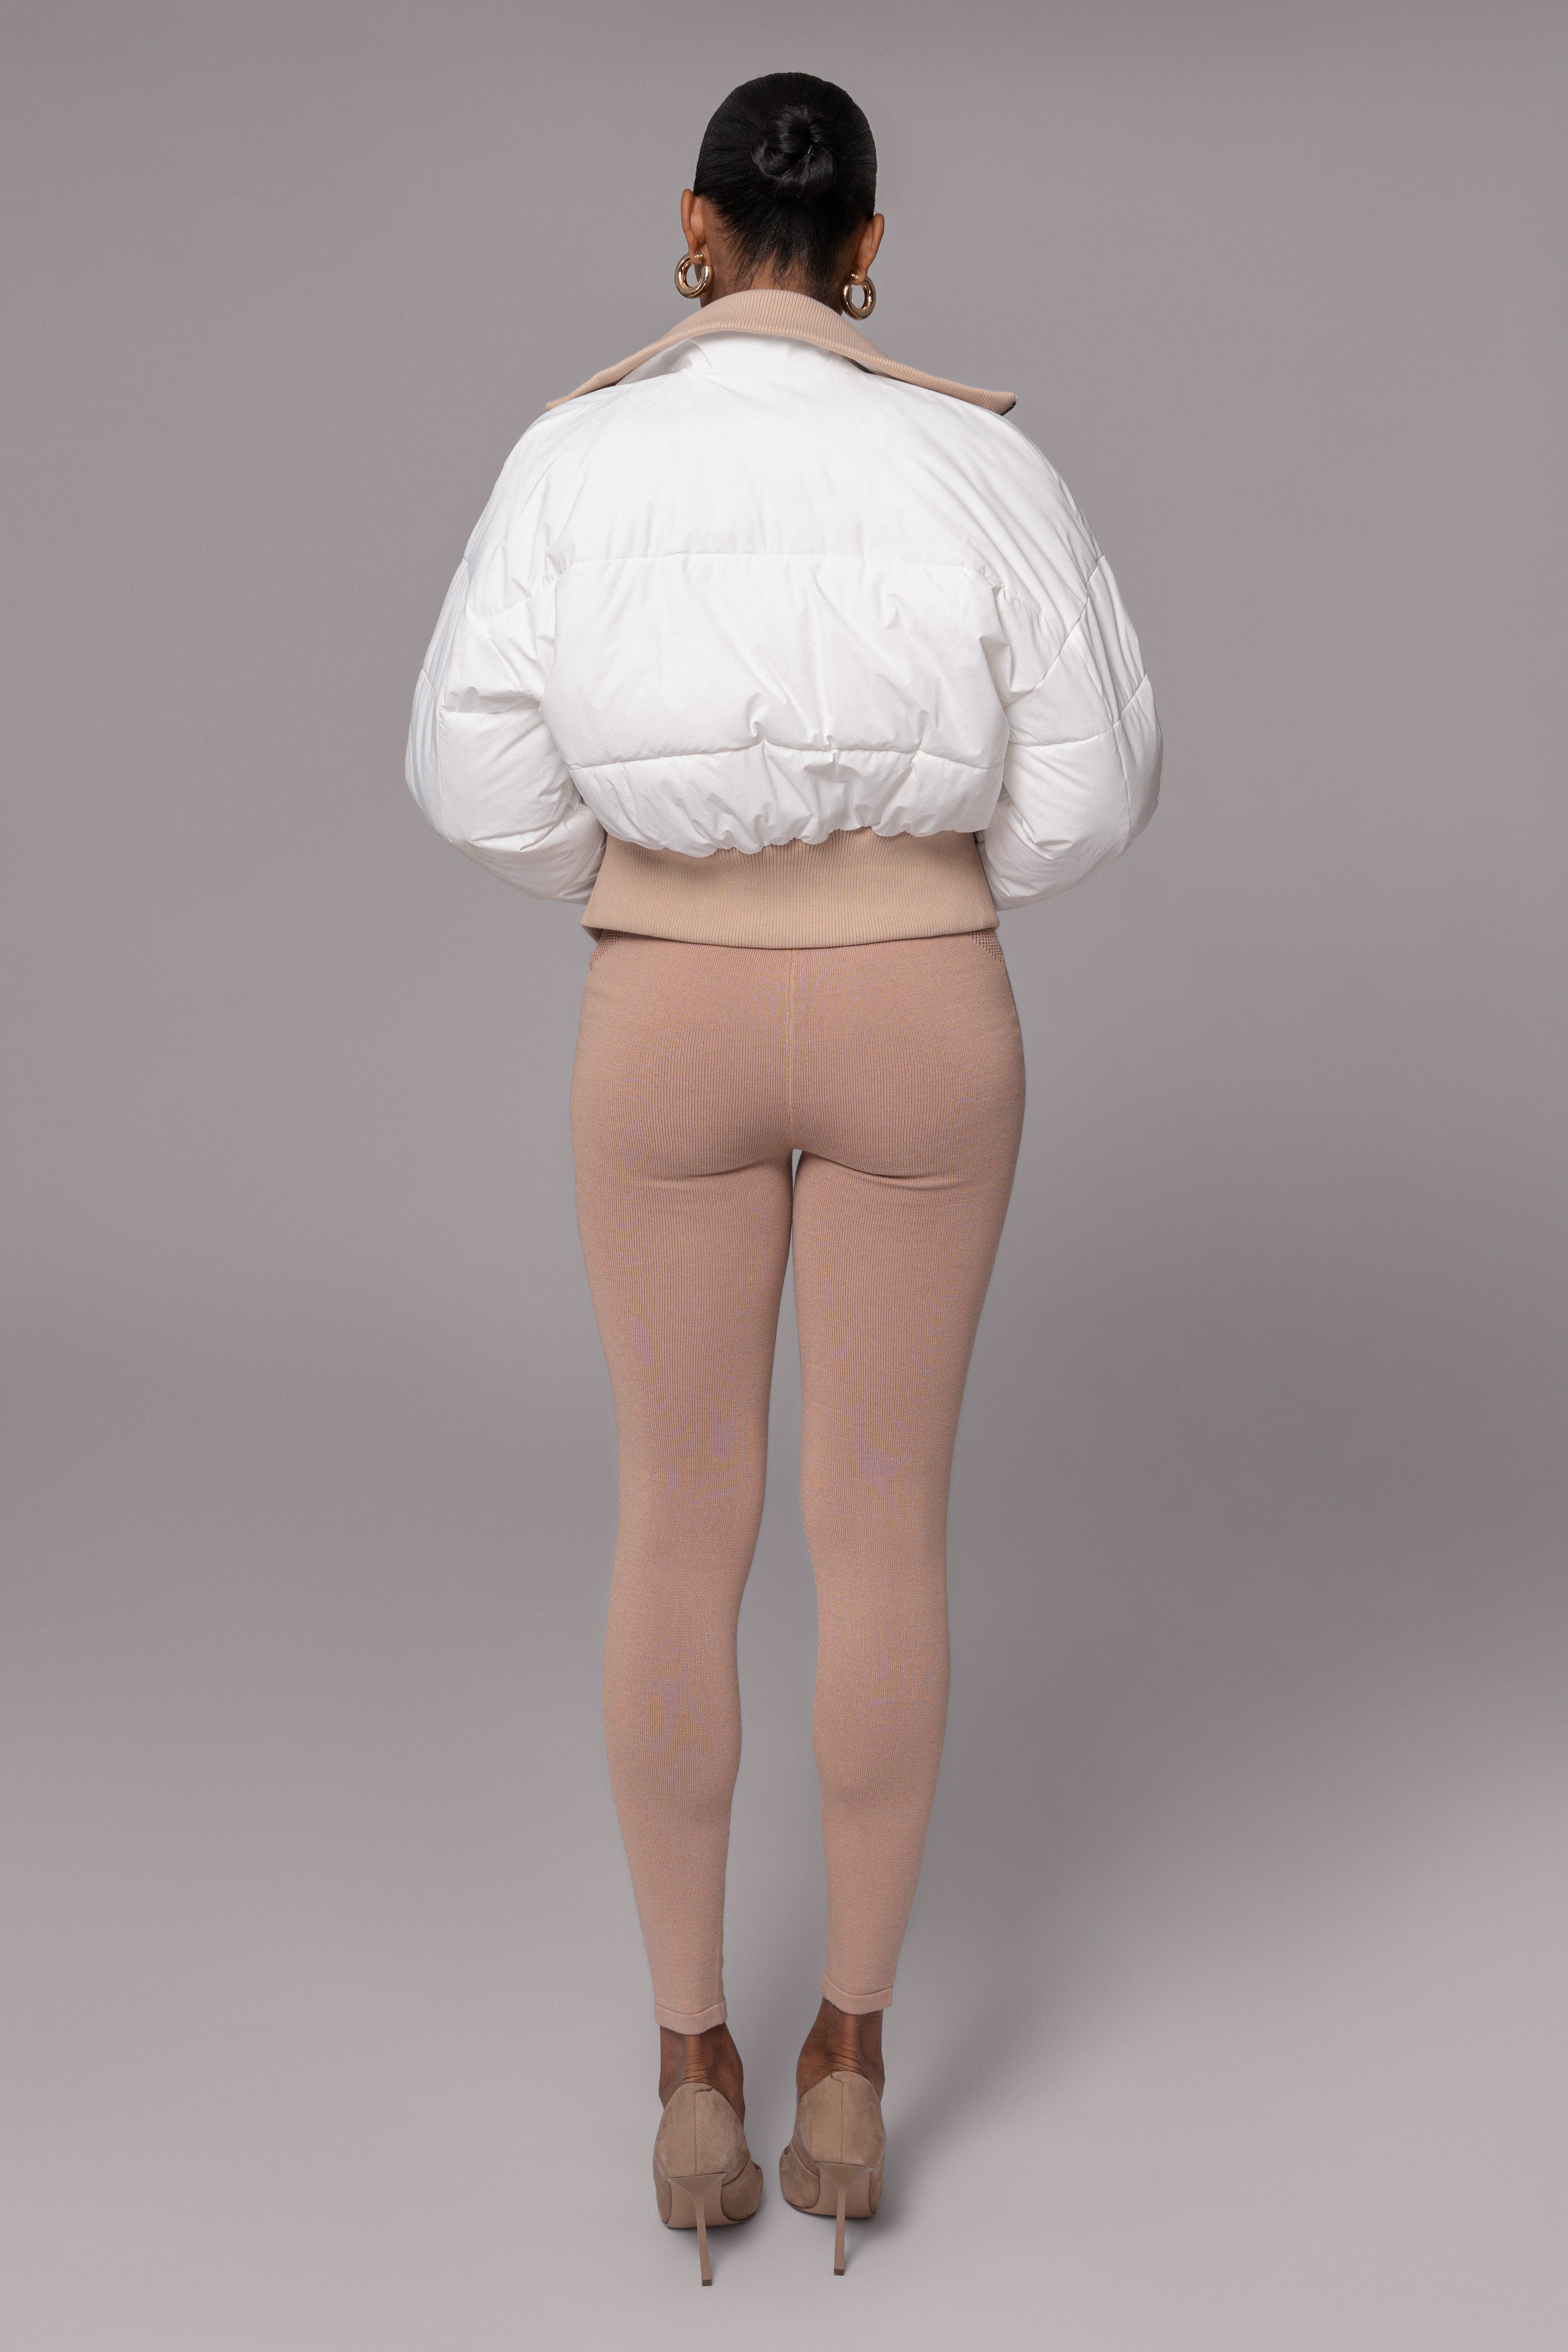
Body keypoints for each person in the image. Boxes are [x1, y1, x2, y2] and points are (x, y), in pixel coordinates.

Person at [406, 70, 1161, 2284]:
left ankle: (686, 2076)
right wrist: (918, 890)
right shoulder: (982, 459)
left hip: (668, 1016)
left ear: (696, 222)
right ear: (872, 249)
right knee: (882, 1525)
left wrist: (653, 889)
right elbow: (1097, 786)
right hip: (927, 1009)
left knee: (679, 1518)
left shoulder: (574, 456)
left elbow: (468, 773)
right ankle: (850, 2058)